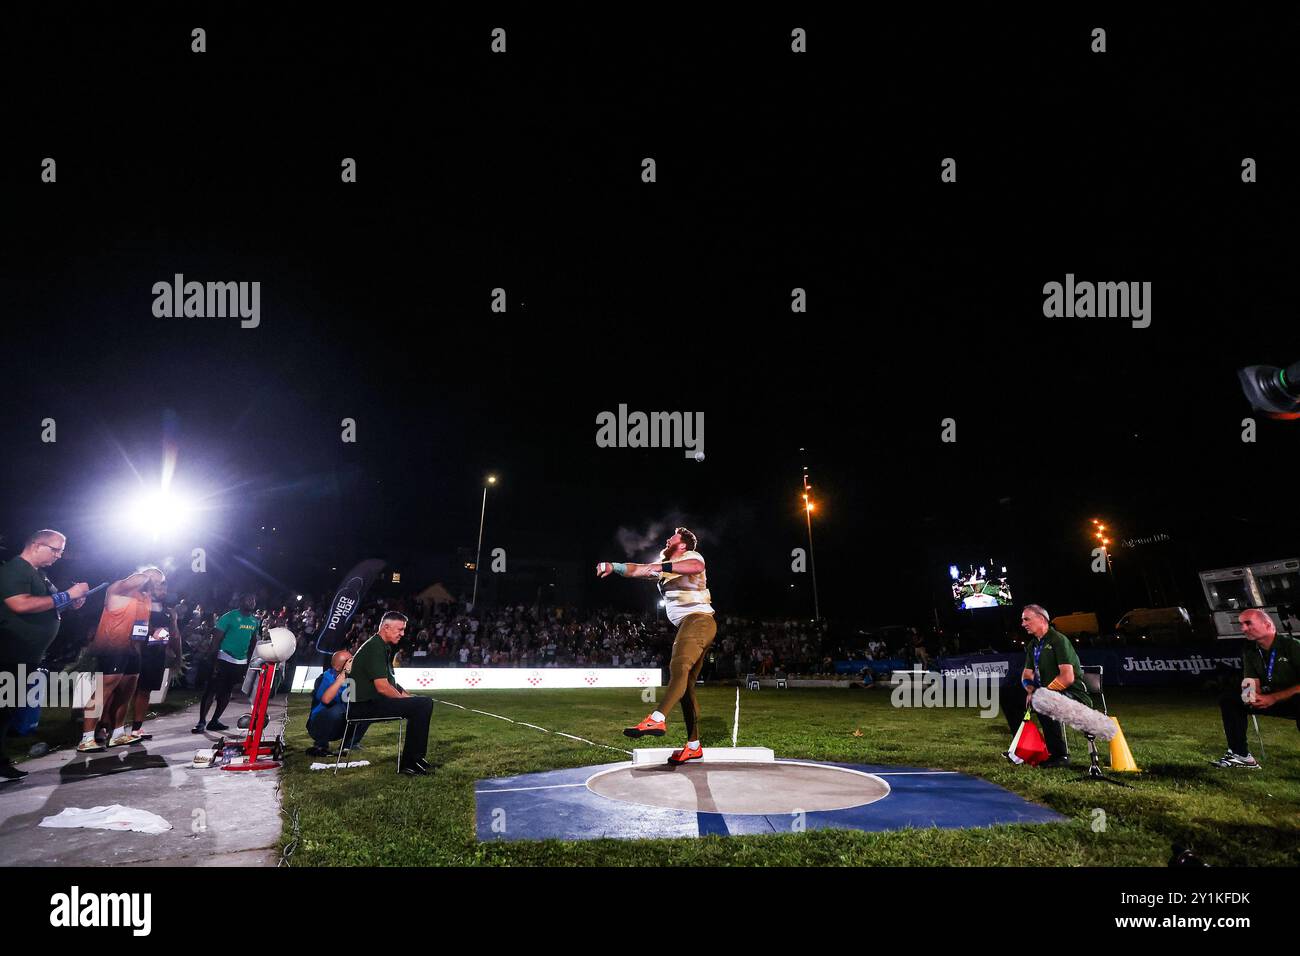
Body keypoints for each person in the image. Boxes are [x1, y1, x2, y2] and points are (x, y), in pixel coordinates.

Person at [599, 527, 717, 765]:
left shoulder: (691, 557)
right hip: (692, 624)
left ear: (682, 545)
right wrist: (614, 566)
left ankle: (657, 717)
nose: (668, 539)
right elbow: (637, 570)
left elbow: (696, 568)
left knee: (679, 665)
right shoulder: (663, 568)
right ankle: (693, 746)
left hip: (698, 620)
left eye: (673, 537)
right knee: (686, 689)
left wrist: (659, 567)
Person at [0, 531, 88, 779]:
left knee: (7, 710)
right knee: (2, 709)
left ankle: (1, 761)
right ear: (37, 545)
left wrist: (71, 602)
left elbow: (49, 603)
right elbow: (20, 604)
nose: (59, 556)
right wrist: (68, 595)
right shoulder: (16, 569)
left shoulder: (39, 574)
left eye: (61, 551)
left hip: (26, 655)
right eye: (55, 550)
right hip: (8, 652)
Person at [77, 568, 167, 752]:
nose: (158, 585)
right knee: (103, 692)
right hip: (113, 647)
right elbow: (134, 580)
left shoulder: (145, 598)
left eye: (160, 582)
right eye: (156, 581)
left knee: (126, 692)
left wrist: (153, 631)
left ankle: (117, 734)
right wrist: (149, 575)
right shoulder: (119, 588)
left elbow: (141, 622)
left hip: (133, 649)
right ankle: (86, 738)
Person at [347, 612, 434, 776]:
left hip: (369, 702)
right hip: (362, 706)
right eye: (400, 629)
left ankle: (416, 758)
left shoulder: (381, 646)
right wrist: (406, 702)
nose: (402, 633)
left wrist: (409, 698)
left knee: (422, 702)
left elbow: (391, 684)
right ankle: (411, 762)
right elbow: (382, 687)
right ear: (386, 627)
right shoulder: (374, 647)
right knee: (423, 704)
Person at [1212, 609, 1300, 769]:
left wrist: (1273, 698)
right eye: (1241, 624)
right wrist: (1250, 696)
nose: (1243, 629)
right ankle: (1241, 756)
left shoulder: (1292, 646)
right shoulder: (1250, 650)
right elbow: (1250, 682)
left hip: (1293, 698)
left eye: (1248, 623)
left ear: (1267, 625)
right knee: (1230, 699)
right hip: (1271, 699)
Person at [1016, 603, 1092, 768]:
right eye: (1023, 620)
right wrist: (1031, 690)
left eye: (1026, 619)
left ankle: (1060, 756)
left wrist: (1042, 693)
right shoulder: (1033, 645)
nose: (1023, 624)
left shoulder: (1058, 639)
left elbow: (1067, 677)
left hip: (1074, 693)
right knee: (1011, 697)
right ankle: (1020, 749)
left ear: (1041, 619)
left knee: (1043, 701)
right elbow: (1026, 675)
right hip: (1049, 692)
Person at [193, 593, 260, 734]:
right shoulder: (228, 617)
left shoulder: (255, 621)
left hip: (240, 662)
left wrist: (249, 661)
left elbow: (253, 642)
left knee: (227, 693)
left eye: (253, 600)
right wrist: (214, 659)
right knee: (211, 690)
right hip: (223, 658)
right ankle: (201, 722)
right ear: (241, 602)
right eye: (248, 599)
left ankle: (214, 721)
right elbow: (216, 640)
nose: (252, 602)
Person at [129, 598, 181, 741]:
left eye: (163, 584)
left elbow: (175, 635)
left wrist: (174, 620)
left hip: (156, 656)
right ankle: (108, 729)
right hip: (137, 654)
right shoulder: (139, 605)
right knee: (125, 692)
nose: (162, 588)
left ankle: (136, 729)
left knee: (145, 692)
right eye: (159, 584)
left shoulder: (167, 611)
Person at [305, 649, 368, 757]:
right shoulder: (325, 678)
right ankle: (321, 744)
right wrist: (343, 676)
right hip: (319, 725)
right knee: (338, 710)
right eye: (349, 661)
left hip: (341, 723)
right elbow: (326, 699)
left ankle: (349, 744)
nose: (353, 662)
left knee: (365, 709)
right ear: (338, 667)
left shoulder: (354, 678)